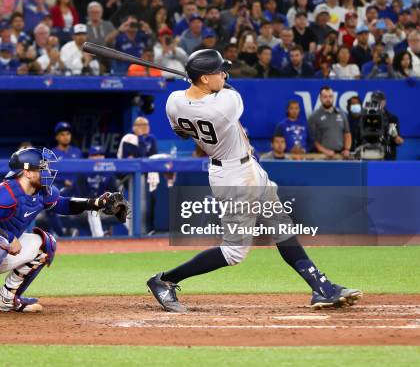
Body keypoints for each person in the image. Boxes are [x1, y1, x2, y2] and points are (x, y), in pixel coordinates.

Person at [146, 49, 361, 312]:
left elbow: (181, 132)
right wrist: (209, 90)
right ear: (203, 78)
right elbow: (228, 91)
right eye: (219, 71)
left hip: (246, 170)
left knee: (282, 227)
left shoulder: (173, 101)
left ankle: (321, 287)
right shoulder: (226, 104)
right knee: (234, 252)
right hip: (235, 178)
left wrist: (198, 90)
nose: (224, 74)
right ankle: (165, 280)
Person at [0, 147, 128, 318]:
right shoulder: (4, 192)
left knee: (46, 243)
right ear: (26, 172)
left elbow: (63, 203)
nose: (48, 171)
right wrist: (9, 237)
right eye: (42, 167)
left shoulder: (42, 191)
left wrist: (95, 203)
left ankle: (6, 299)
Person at [73, 145, 120, 237]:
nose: (98, 157)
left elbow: (115, 194)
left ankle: (136, 237)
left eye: (101, 155)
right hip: (82, 209)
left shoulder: (108, 173)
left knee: (125, 208)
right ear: (89, 157)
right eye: (95, 155)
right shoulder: (82, 173)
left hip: (102, 206)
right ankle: (99, 238)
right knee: (93, 209)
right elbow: (82, 197)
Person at [46, 122, 84, 236]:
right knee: (50, 204)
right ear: (57, 137)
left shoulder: (77, 152)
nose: (66, 137)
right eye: (62, 134)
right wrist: (63, 181)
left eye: (68, 134)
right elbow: (48, 174)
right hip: (59, 187)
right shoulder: (51, 153)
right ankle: (62, 235)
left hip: (76, 188)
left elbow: (83, 171)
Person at [308, 86, 352, 159]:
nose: (328, 99)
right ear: (320, 98)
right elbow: (312, 140)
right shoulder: (314, 116)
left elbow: (347, 133)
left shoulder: (342, 114)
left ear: (333, 98)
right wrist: (325, 151)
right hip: (321, 156)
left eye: (330, 96)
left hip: (340, 155)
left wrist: (347, 149)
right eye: (325, 97)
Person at [371, 91, 404, 161]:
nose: (378, 102)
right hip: (371, 154)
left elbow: (396, 138)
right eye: (375, 100)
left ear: (384, 101)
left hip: (388, 155)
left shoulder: (392, 118)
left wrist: (398, 139)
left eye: (380, 100)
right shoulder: (366, 117)